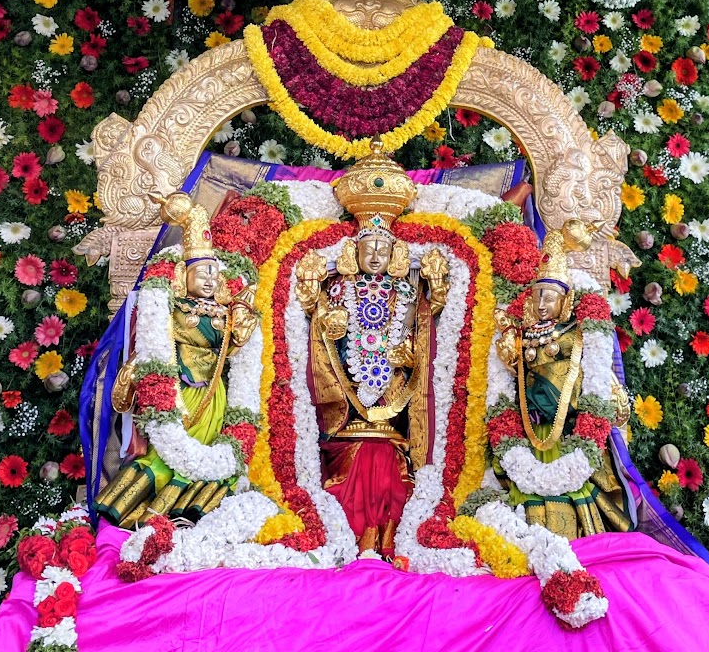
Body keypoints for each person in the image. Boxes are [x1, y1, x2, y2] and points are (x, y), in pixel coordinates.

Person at [296, 148, 447, 555]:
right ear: (354, 254)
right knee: (361, 456)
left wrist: (412, 355)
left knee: (387, 460)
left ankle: (384, 539)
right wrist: (326, 319)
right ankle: (350, 538)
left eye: (383, 247)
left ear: (395, 253)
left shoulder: (407, 292)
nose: (376, 254)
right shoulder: (339, 288)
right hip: (348, 405)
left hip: (393, 401)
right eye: (368, 248)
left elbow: (425, 331)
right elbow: (318, 327)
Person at [95, 194, 256, 527]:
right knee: (167, 454)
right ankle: (139, 512)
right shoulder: (175, 307)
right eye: (202, 273)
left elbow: (238, 344)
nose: (210, 279)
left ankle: (188, 515)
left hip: (214, 392)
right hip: (180, 388)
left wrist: (243, 312)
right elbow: (156, 341)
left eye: (214, 274)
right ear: (184, 277)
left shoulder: (226, 313)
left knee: (208, 451)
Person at [494, 224, 634, 538]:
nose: (542, 303)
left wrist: (612, 392)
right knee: (521, 481)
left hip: (568, 426)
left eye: (550, 297)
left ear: (566, 302)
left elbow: (594, 367)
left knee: (574, 480)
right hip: (531, 425)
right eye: (537, 296)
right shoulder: (524, 334)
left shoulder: (577, 331)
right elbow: (514, 372)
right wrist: (507, 350)